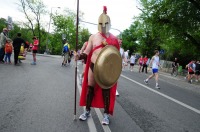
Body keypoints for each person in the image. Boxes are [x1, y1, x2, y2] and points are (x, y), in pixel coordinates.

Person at [75, 6, 119, 125]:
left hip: (107, 69)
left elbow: (116, 58)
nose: (103, 25)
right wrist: (79, 56)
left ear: (109, 23)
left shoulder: (114, 39)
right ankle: (87, 111)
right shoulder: (93, 37)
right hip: (93, 65)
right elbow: (87, 51)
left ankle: (105, 115)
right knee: (90, 88)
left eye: (105, 23)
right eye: (101, 23)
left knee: (106, 90)